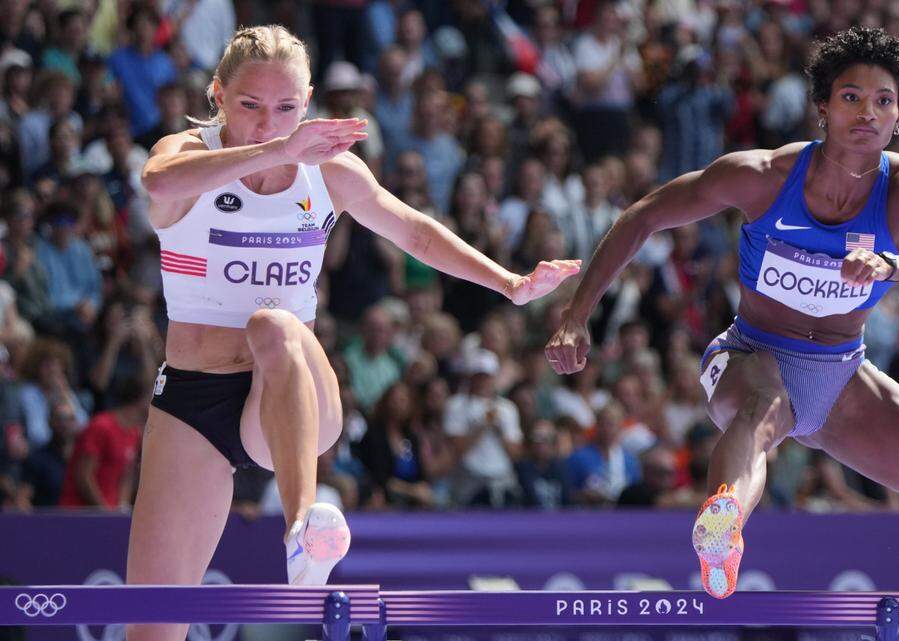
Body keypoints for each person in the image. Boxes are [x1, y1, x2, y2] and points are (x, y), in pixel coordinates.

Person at [546, 26, 899, 599]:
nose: (867, 113)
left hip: (841, 377)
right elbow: (643, 215)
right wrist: (577, 314)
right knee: (763, 409)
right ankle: (722, 524)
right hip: (750, 354)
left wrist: (890, 265)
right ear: (823, 106)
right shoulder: (761, 177)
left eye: (884, 101)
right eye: (851, 97)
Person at [130, 24, 579, 641]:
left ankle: (302, 533)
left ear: (309, 102)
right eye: (250, 106)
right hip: (192, 399)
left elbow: (415, 232)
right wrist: (279, 152)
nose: (269, 124)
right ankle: (298, 532)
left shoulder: (329, 172)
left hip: (292, 396)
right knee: (152, 630)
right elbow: (156, 186)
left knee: (273, 324)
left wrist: (510, 283)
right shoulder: (183, 155)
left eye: (287, 109)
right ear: (217, 95)